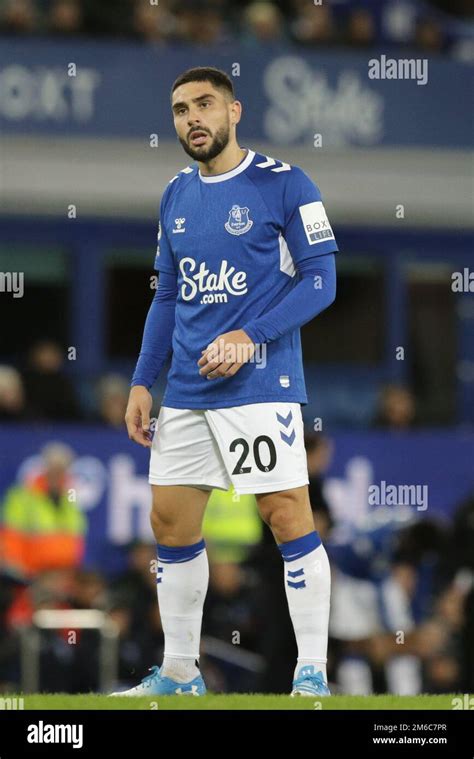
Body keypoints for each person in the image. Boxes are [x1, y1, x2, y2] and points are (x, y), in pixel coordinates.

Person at [116, 66, 338, 698]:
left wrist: (251, 337)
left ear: (234, 111)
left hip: (261, 384)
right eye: (181, 108)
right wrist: (141, 381)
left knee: (285, 514)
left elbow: (321, 280)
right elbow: (166, 298)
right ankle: (181, 673)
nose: (193, 118)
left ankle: (312, 672)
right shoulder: (175, 195)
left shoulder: (286, 184)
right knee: (170, 523)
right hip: (186, 388)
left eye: (205, 104)